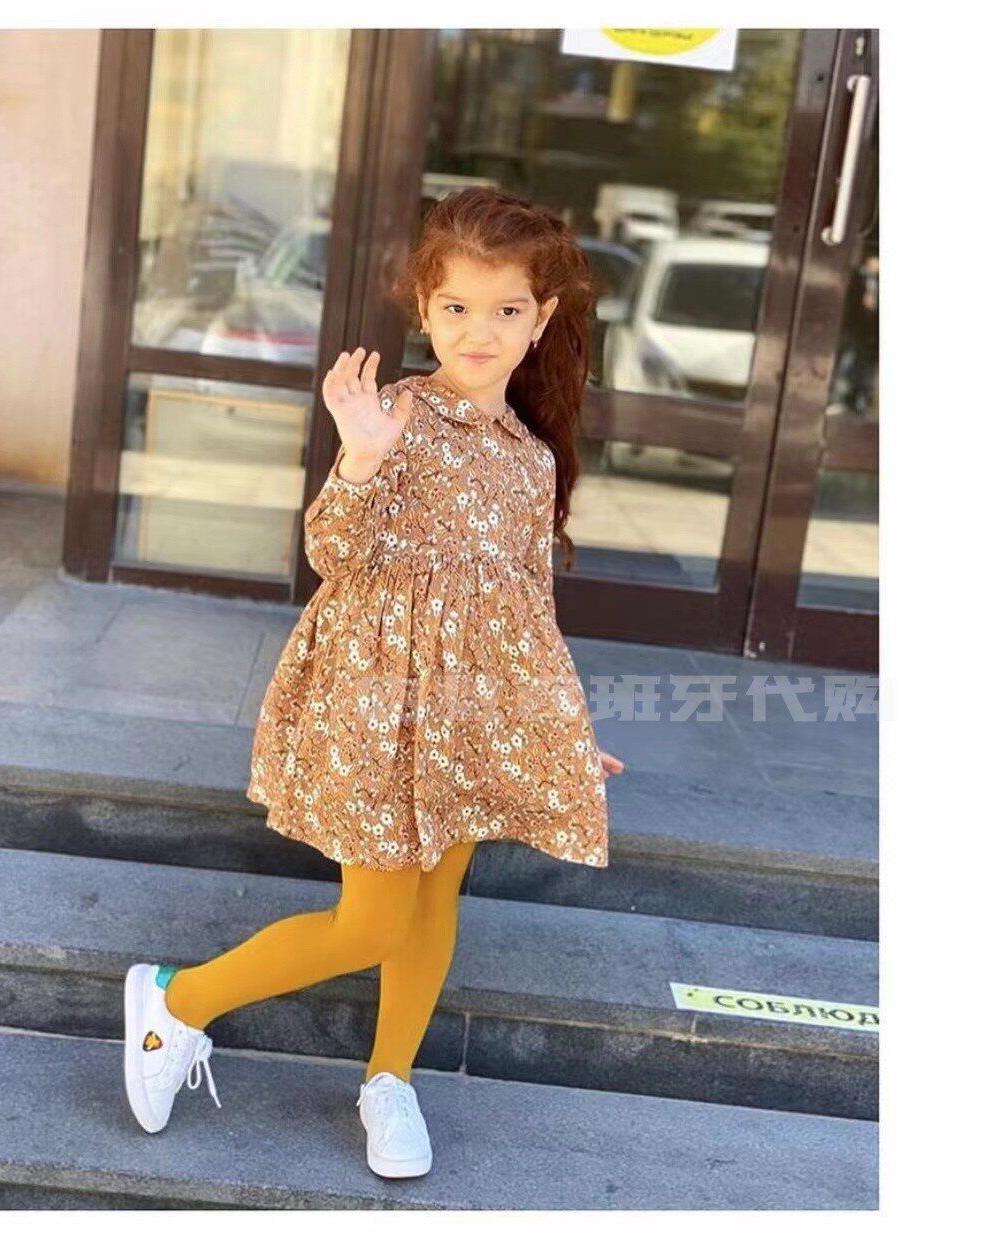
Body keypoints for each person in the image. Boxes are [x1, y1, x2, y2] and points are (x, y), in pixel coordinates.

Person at [123, 187, 626, 1179]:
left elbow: (529, 609)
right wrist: (359, 458)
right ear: (425, 309)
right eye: (456, 307)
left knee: (437, 902)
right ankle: (175, 1003)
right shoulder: (394, 415)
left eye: (506, 309)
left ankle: (390, 1079)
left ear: (543, 318)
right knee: (374, 921)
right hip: (371, 698)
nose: (478, 331)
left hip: (470, 711)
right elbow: (330, 553)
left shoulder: (529, 459)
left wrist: (560, 726)